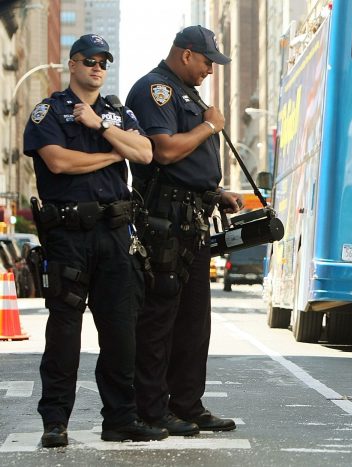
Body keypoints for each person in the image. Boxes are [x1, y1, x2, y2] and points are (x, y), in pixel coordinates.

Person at [22, 34, 169, 447]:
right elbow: (59, 161)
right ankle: (55, 421)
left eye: (104, 61)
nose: (97, 67)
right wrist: (112, 151)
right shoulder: (48, 111)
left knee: (122, 331)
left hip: (116, 234)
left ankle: (120, 419)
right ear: (72, 65)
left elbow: (144, 153)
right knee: (66, 331)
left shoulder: (115, 111)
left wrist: (102, 127)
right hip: (69, 235)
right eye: (89, 60)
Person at [125, 25, 242, 436]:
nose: (211, 69)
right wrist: (210, 126)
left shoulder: (187, 94)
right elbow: (164, 150)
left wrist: (216, 190)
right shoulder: (156, 90)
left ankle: (188, 404)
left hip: (191, 219)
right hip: (163, 220)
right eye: (208, 61)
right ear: (187, 53)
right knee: (161, 319)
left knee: (193, 321)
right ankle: (153, 410)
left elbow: (189, 163)